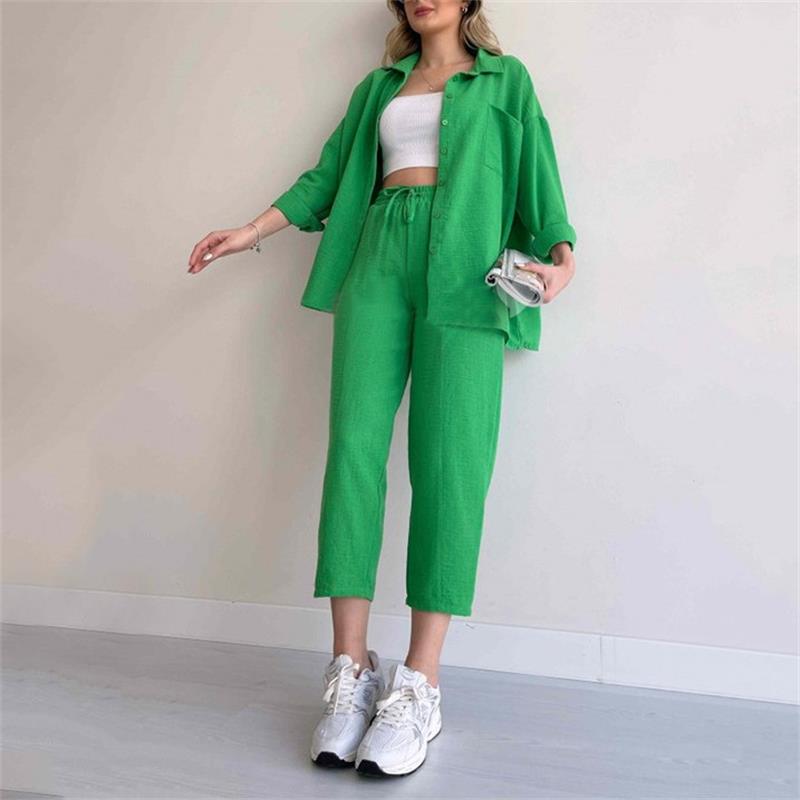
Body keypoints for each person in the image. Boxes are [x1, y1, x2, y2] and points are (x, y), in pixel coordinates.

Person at [187, 0, 577, 778]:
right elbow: (329, 176)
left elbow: (540, 180)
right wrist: (250, 231)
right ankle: (349, 670)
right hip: (377, 260)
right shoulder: (379, 87)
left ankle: (420, 683)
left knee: (452, 466)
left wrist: (562, 259)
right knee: (354, 454)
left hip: (468, 274)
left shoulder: (506, 81)